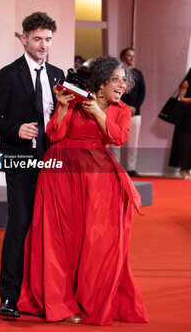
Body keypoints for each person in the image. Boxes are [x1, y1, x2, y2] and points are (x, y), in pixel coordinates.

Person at [17, 56, 148, 325]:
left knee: (95, 242)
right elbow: (54, 134)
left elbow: (118, 137)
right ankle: (59, 303)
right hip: (60, 175)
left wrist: (98, 113)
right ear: (101, 81)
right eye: (116, 79)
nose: (121, 84)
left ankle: (91, 300)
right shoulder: (75, 100)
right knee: (59, 239)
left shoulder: (121, 109)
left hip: (98, 180)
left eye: (125, 80)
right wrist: (63, 108)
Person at [0, 12, 65, 318]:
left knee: (49, 228)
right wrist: (16, 129)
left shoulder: (58, 75)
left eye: (48, 39)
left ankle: (49, 294)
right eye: (38, 39)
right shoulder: (8, 74)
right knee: (19, 225)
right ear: (24, 39)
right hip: (20, 160)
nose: (43, 45)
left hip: (52, 161)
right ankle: (9, 297)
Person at [110, 48, 146, 177]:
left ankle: (131, 168)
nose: (131, 58)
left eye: (133, 56)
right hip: (117, 110)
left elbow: (142, 93)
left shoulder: (138, 73)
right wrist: (123, 107)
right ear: (122, 57)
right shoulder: (115, 72)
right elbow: (113, 90)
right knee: (115, 140)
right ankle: (115, 166)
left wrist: (135, 107)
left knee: (133, 142)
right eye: (129, 56)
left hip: (135, 112)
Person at [169, 69, 191, 179]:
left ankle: (188, 169)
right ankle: (184, 169)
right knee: (186, 145)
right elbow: (181, 98)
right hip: (186, 117)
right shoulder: (186, 83)